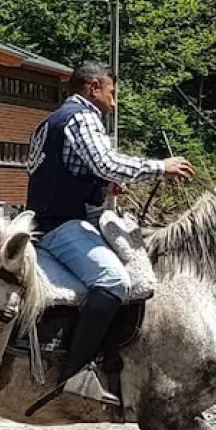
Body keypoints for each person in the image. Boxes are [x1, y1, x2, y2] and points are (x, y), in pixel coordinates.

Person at [26, 61, 194, 405]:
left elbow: (72, 171)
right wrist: (161, 168)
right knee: (115, 281)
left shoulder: (50, 121)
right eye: (111, 93)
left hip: (47, 218)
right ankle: (74, 372)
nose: (114, 102)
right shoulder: (82, 117)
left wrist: (101, 186)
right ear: (93, 88)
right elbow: (106, 162)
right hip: (62, 225)